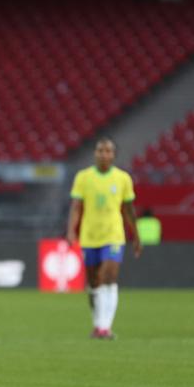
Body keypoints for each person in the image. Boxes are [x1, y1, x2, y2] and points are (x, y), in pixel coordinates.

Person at [67, 137, 142, 340]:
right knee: (94, 283)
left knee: (109, 276)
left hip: (114, 235)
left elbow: (128, 209)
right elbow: (76, 206)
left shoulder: (123, 178)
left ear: (114, 155)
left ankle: (104, 327)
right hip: (90, 236)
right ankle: (97, 323)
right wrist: (71, 230)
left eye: (108, 151)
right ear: (95, 153)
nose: (104, 154)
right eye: (100, 150)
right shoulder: (83, 177)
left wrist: (136, 234)